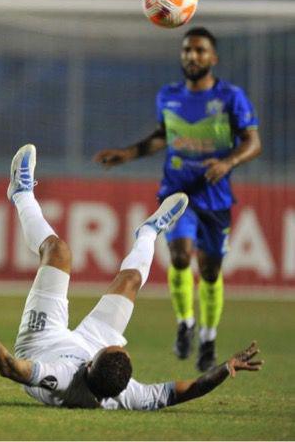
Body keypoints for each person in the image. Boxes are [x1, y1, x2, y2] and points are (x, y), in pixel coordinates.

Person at [0, 143, 263, 410]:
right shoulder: (126, 394)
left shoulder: (62, 377)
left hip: (41, 343)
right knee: (131, 281)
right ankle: (148, 231)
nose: (119, 343)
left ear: (91, 362)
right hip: (86, 346)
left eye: (115, 348)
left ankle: (20, 193)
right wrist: (225, 369)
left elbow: (10, 368)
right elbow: (186, 390)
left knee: (58, 251)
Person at [93, 27, 262, 371]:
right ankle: (185, 323)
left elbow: (252, 143)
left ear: (213, 58)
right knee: (181, 255)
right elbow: (162, 137)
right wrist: (129, 153)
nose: (192, 56)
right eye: (187, 50)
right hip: (177, 194)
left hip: (215, 197)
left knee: (210, 270)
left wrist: (229, 161)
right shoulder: (168, 96)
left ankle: (208, 335)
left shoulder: (231, 97)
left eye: (200, 51)